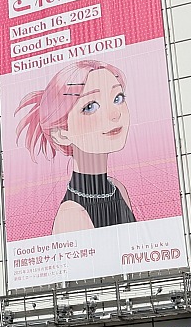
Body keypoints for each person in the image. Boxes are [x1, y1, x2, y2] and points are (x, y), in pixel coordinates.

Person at [15, 59, 141, 232]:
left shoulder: (117, 188)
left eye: (118, 98)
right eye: (90, 106)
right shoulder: (72, 215)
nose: (114, 114)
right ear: (61, 134)